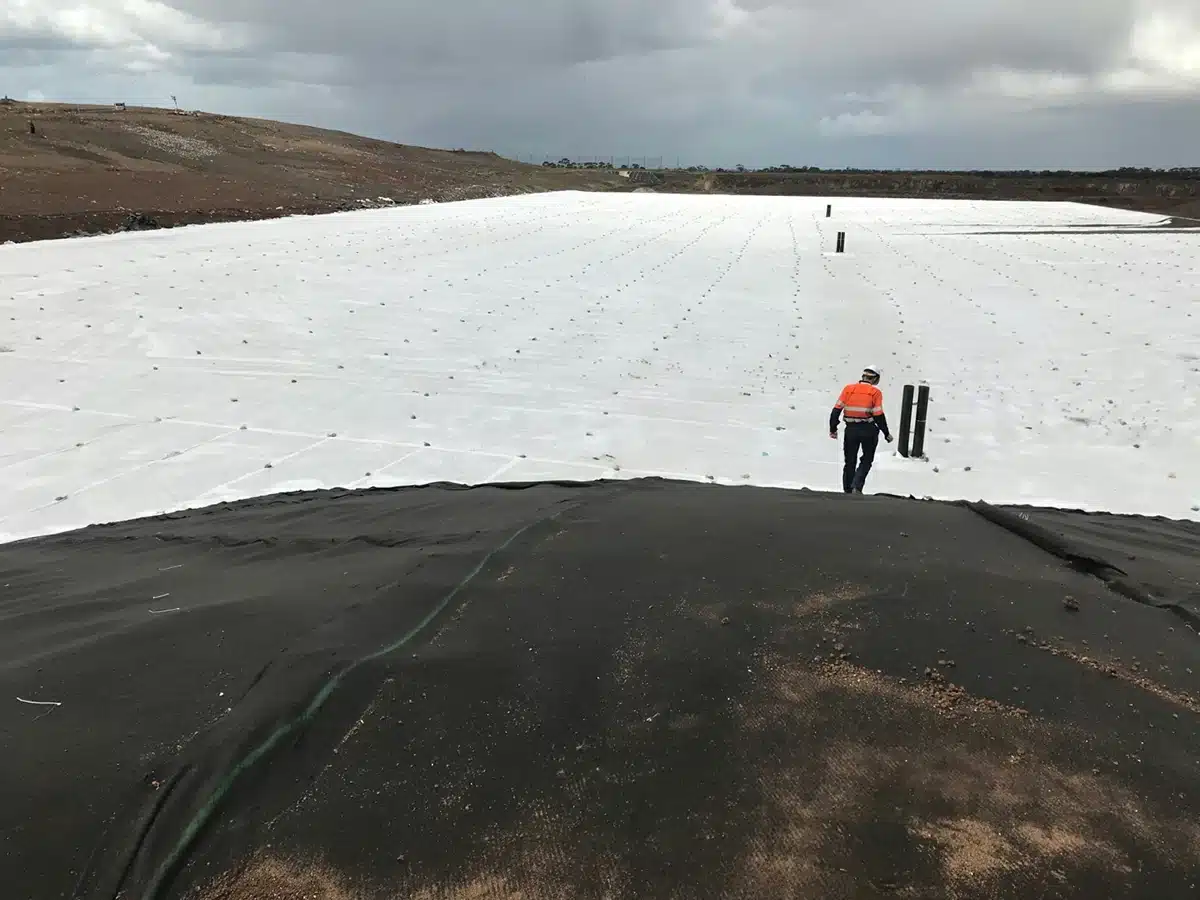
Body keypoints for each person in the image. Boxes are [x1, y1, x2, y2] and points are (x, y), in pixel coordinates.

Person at [829, 365, 893, 494]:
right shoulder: (875, 393)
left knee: (849, 460)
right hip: (868, 429)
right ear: (875, 379)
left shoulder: (848, 389)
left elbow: (836, 410)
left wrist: (833, 428)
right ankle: (856, 487)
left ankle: (847, 489)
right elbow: (878, 414)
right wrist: (886, 433)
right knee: (867, 459)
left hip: (850, 429)